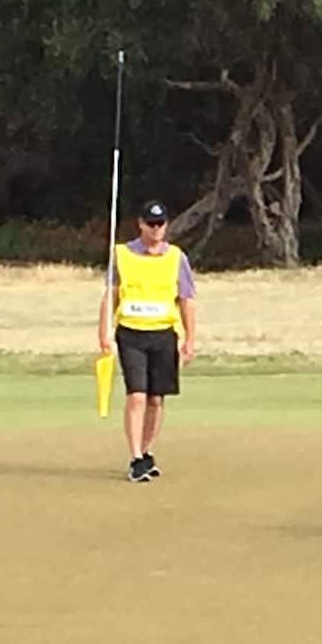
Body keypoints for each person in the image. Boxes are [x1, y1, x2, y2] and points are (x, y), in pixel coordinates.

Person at [98, 200, 197, 482]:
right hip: (130, 332)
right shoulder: (122, 255)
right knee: (137, 395)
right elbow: (111, 295)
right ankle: (136, 457)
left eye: (161, 224)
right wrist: (103, 331)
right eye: (151, 224)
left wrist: (190, 339)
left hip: (164, 333)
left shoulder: (177, 258)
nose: (156, 229)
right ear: (140, 224)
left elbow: (187, 300)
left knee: (156, 399)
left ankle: (145, 450)